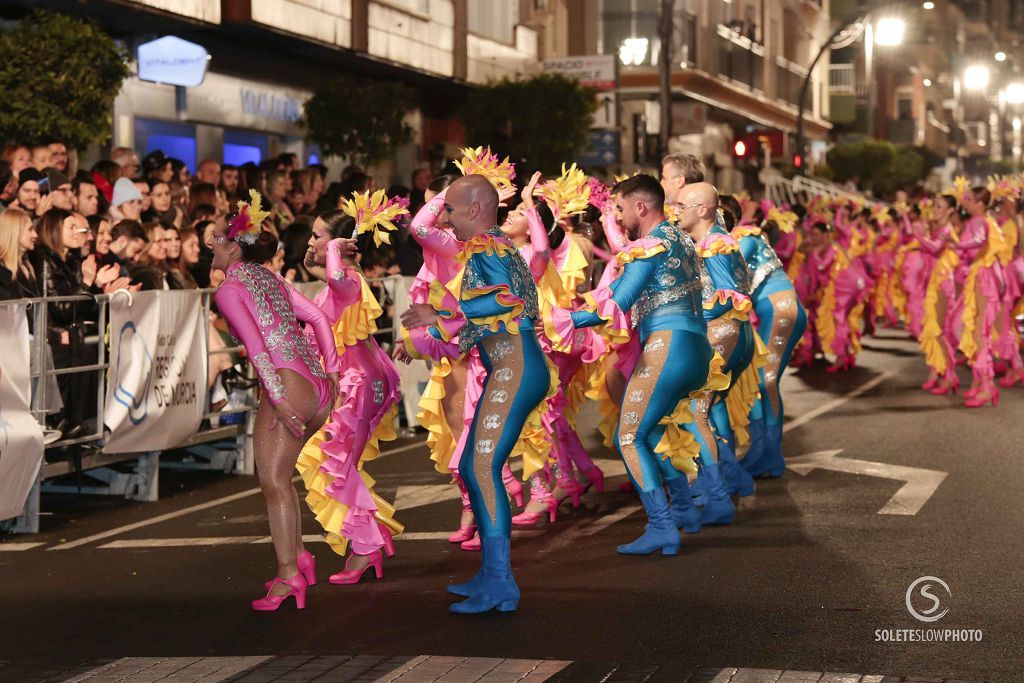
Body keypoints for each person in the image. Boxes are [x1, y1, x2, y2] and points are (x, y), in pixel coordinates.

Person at [399, 175, 551, 614]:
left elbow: (507, 303)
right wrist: (432, 331)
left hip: (515, 365)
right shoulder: (493, 246)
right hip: (513, 364)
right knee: (474, 465)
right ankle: (491, 572)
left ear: (473, 209)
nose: (444, 218)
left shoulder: (487, 247)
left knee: (480, 466)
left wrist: (443, 310)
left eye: (448, 209)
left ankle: (501, 581)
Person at [560, 174, 713, 555]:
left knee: (628, 436)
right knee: (651, 431)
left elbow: (618, 302)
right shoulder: (681, 240)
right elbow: (615, 291)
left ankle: (662, 525)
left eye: (621, 209)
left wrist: (560, 320)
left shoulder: (650, 245)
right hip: (694, 349)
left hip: (668, 347)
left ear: (641, 207)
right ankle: (683, 511)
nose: (620, 216)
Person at [210, 192, 341, 612]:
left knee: (273, 484)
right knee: (282, 480)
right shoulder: (269, 277)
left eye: (215, 238)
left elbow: (256, 349)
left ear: (233, 246)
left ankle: (289, 576)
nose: (210, 243)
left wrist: (280, 400)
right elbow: (318, 319)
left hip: (289, 386)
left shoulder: (230, 288)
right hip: (317, 384)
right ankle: (299, 556)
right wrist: (333, 375)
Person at [296, 209, 404, 584]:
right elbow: (320, 269)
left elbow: (335, 274)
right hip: (360, 381)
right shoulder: (339, 281)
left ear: (337, 245)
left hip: (357, 385)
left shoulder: (347, 282)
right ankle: (370, 539)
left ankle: (366, 546)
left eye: (316, 237)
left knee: (333, 464)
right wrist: (324, 252)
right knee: (338, 464)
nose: (311, 242)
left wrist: (336, 250)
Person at [0, 209, 37, 300]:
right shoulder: (2, 272)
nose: (35, 235)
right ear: (15, 232)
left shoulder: (28, 266)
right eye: (30, 229)